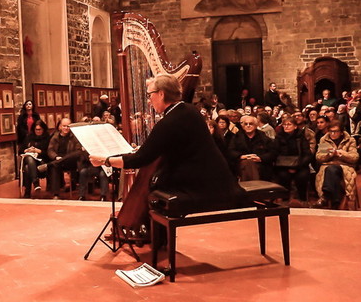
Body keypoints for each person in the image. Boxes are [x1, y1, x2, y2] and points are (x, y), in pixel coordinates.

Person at [89, 74, 247, 212]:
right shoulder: (190, 110)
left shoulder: (170, 121)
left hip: (196, 184)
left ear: (161, 94)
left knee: (154, 190)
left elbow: (140, 159)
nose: (149, 100)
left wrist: (105, 160)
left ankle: (158, 239)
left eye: (150, 94)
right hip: (214, 177)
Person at [313, 121, 358, 209]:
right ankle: (336, 201)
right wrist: (329, 155)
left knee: (331, 170)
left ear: (341, 132)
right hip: (328, 164)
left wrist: (342, 154)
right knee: (330, 170)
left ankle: (325, 196)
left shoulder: (350, 140)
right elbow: (318, 157)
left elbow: (355, 157)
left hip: (344, 165)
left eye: (335, 131)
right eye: (330, 131)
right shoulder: (324, 140)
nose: (332, 134)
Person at [40, 117, 86, 199]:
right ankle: (56, 194)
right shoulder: (55, 137)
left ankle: (49, 164)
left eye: (68, 126)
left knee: (78, 153)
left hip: (71, 162)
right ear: (60, 127)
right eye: (64, 126)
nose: (66, 128)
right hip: (58, 160)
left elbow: (78, 150)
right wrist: (56, 156)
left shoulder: (74, 137)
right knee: (55, 166)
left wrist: (63, 158)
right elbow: (50, 150)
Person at [273, 117, 312, 206]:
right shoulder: (279, 137)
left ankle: (302, 199)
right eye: (284, 125)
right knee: (283, 176)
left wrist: (297, 166)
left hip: (300, 164)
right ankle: (285, 199)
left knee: (302, 176)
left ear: (295, 127)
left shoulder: (300, 137)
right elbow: (275, 153)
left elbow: (307, 154)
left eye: (289, 124)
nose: (286, 127)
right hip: (283, 165)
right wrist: (286, 167)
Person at [228, 114, 277, 181]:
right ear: (243, 126)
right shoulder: (237, 137)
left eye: (250, 124)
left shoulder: (263, 137)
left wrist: (260, 158)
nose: (248, 126)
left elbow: (272, 152)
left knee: (250, 164)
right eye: (246, 124)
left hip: (260, 164)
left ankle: (248, 188)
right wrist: (241, 156)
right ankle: (255, 185)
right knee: (247, 163)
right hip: (241, 163)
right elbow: (231, 151)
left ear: (256, 125)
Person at [20, 120, 51, 198]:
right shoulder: (29, 137)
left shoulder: (47, 138)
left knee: (27, 169)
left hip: (42, 161)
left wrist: (38, 151)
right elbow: (20, 150)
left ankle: (28, 191)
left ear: (43, 129)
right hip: (30, 159)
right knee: (29, 159)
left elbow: (48, 153)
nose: (38, 131)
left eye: (40, 129)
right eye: (36, 129)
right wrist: (26, 150)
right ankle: (35, 182)